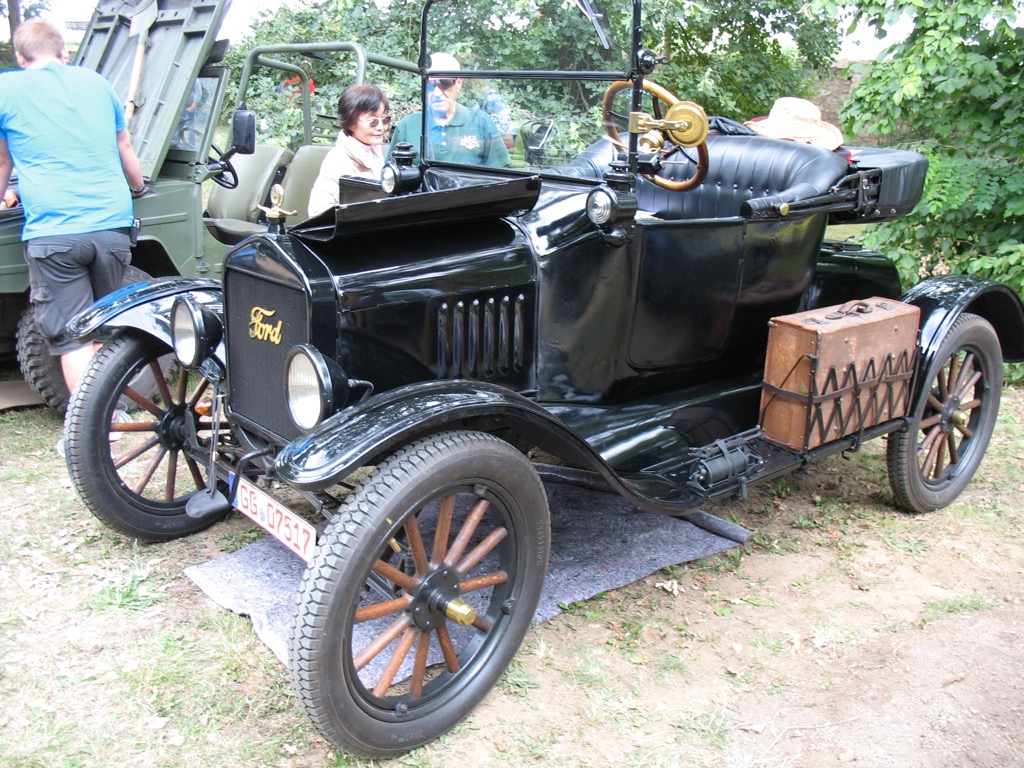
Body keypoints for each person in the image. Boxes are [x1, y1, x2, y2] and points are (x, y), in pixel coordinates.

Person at [0, 20, 146, 410]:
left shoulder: (6, 88)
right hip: (111, 226)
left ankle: (94, 427)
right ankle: (114, 413)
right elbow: (124, 147)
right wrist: (137, 188)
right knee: (107, 325)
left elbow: (1, 162)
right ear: (64, 52)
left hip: (54, 232)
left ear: (19, 56)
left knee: (71, 336)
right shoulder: (97, 83)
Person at [389, 53, 510, 167]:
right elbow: (391, 174)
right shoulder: (408, 125)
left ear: (459, 83)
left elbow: (501, 174)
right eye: (430, 84)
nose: (437, 92)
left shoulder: (480, 121)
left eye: (445, 83)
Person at [308, 84, 390, 217]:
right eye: (373, 121)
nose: (381, 127)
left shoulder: (374, 152)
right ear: (351, 122)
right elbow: (318, 211)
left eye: (385, 119)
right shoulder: (337, 160)